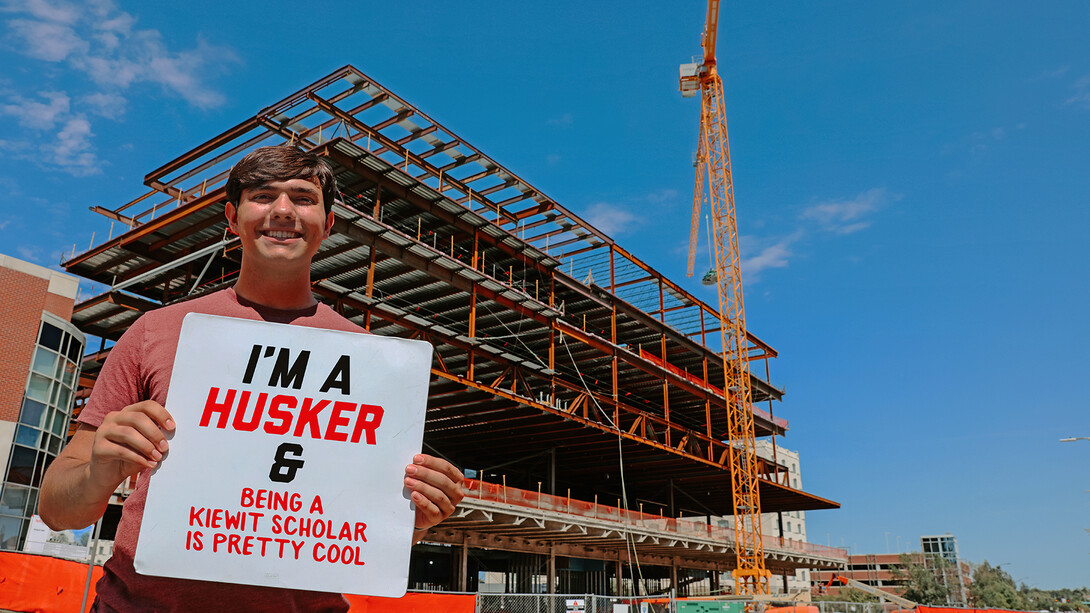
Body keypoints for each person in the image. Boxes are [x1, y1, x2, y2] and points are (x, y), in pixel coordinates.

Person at [39, 145, 465, 612]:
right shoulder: (155, 332)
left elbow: (362, 540)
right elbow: (57, 511)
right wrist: (101, 470)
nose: (283, 210)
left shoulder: (371, 361)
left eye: (303, 198)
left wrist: (416, 516)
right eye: (263, 196)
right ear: (231, 217)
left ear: (328, 224)